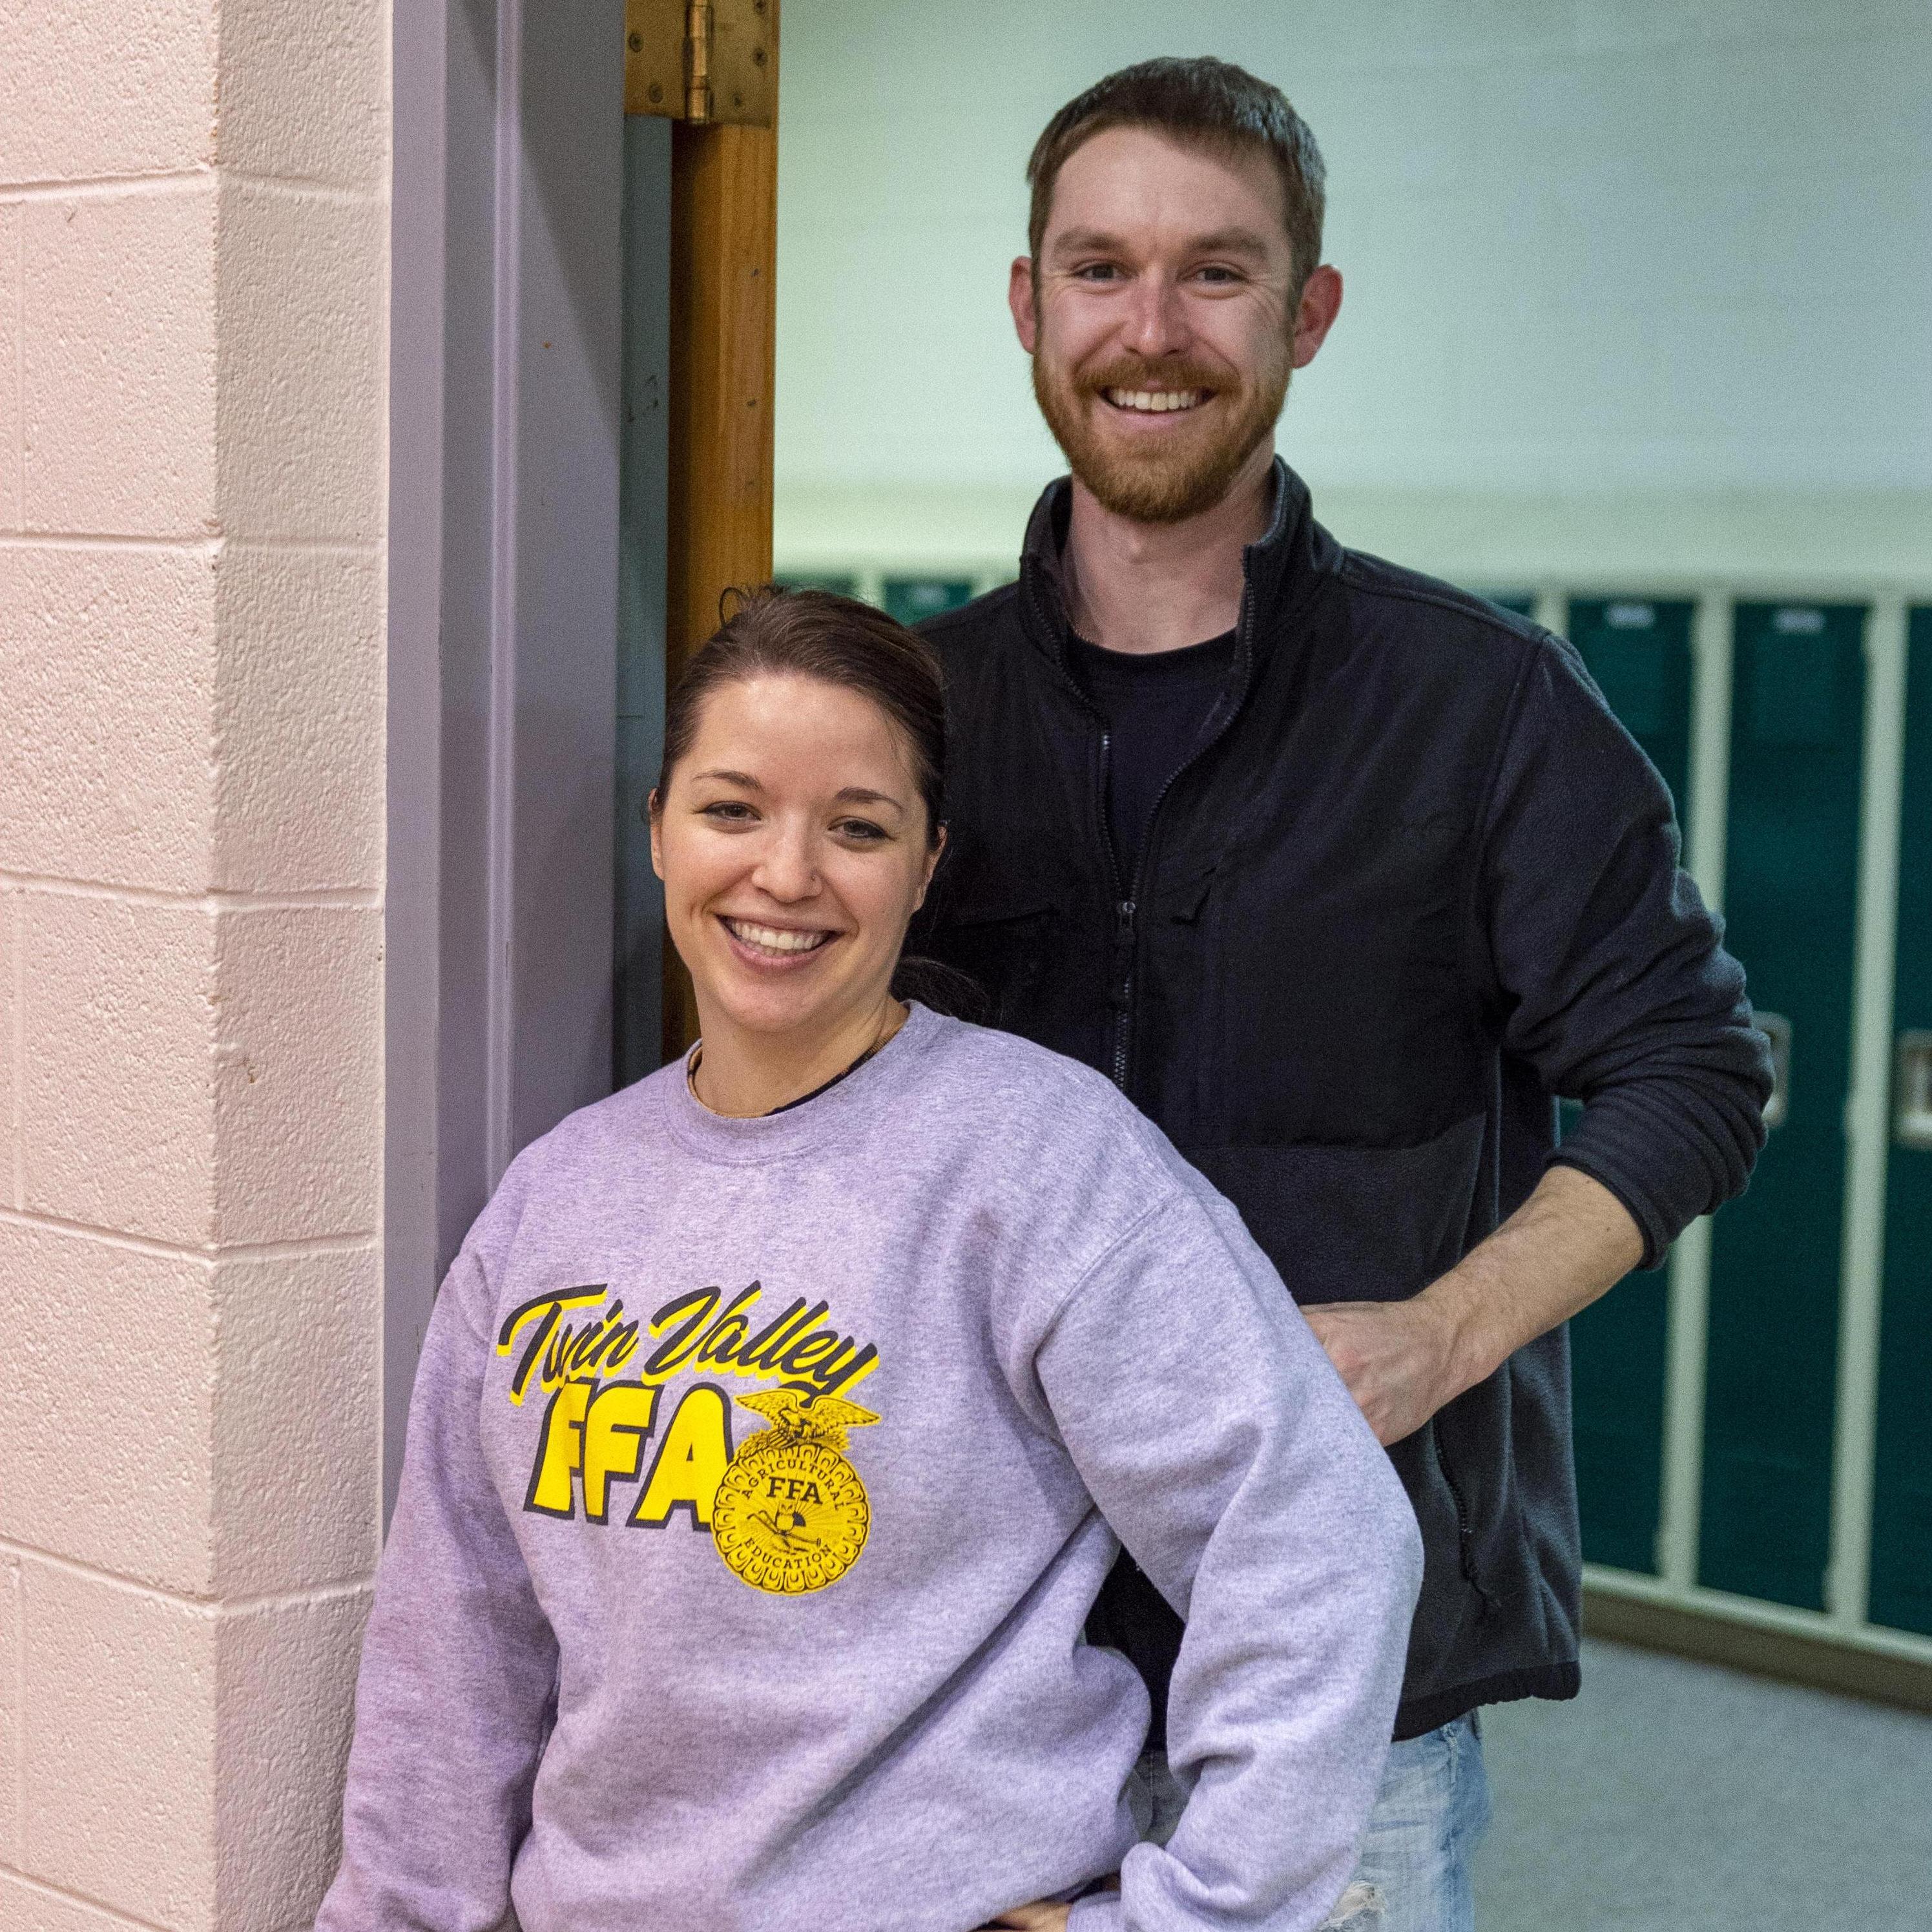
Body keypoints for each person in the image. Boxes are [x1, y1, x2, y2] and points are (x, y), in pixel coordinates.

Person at [912, 57, 1772, 1932]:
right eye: (1100, 270)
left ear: (1308, 313)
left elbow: (1694, 1071)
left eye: (1216, 274)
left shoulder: (1484, 710)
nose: (1152, 332)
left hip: (1341, 1689)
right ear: (1026, 303)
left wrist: (1443, 1336)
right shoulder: (921, 719)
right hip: (975, 1670)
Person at [315, 588, 1422, 1932]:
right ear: (658, 829)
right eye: (732, 809)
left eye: (856, 826)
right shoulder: (556, 1197)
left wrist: (1197, 1917)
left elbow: (1311, 1541)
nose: (786, 873)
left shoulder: (1036, 1157)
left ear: (925, 861)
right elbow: (456, 1645)